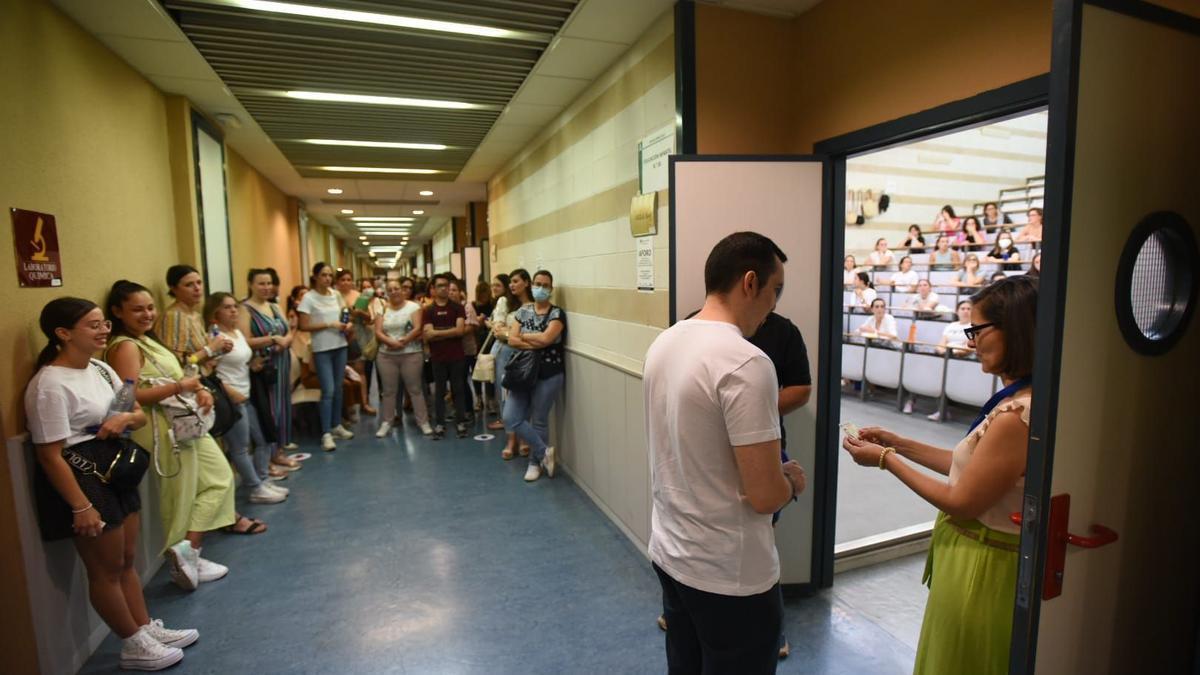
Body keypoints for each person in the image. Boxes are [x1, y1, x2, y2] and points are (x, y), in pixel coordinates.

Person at [842, 276, 1038, 674]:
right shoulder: (1017, 401)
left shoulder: (1017, 415)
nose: (970, 342)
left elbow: (962, 500)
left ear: (1014, 329)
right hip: (970, 553)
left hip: (984, 566)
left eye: (977, 330)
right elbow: (966, 466)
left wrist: (886, 460)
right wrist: (898, 443)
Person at [644, 231, 807, 673]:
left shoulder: (667, 341)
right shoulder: (746, 363)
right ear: (750, 282)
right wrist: (790, 480)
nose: (775, 303)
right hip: (728, 574)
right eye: (776, 290)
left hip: (671, 551)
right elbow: (765, 495)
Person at [27, 298, 196, 671]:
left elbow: (132, 411)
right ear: (63, 334)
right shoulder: (49, 385)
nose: (104, 330)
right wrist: (81, 506)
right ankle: (132, 643)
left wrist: (123, 422)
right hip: (83, 475)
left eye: (104, 323)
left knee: (125, 559)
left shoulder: (102, 369)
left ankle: (143, 626)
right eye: (94, 325)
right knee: (103, 568)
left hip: (115, 466)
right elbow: (49, 455)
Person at [104, 280, 239, 592]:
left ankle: (188, 550)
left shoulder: (149, 341)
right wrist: (182, 388)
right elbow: (127, 397)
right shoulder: (125, 346)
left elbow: (178, 373)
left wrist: (200, 390)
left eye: (150, 307)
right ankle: (184, 554)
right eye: (137, 309)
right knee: (179, 496)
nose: (147, 314)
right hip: (160, 431)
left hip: (186, 424)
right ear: (117, 311)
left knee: (220, 479)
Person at [206, 292, 287, 506]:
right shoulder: (215, 338)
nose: (233, 310)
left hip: (247, 392)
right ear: (215, 312)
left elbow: (240, 361)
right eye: (227, 307)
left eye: (234, 306)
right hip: (231, 397)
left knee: (261, 440)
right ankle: (254, 488)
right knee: (240, 447)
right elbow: (209, 371)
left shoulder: (237, 333)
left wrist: (253, 365)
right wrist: (230, 392)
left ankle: (262, 479)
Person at [503, 270, 567, 482]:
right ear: (531, 285)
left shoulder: (557, 314)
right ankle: (544, 452)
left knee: (539, 420)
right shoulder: (524, 310)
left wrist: (523, 336)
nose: (541, 288)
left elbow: (547, 339)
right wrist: (533, 339)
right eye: (538, 283)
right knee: (511, 417)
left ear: (551, 289)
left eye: (545, 285)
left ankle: (534, 464)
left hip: (548, 373)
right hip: (522, 373)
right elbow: (511, 340)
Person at [242, 269, 300, 465]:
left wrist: (288, 338)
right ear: (250, 284)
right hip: (264, 367)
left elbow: (288, 332)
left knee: (282, 407)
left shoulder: (274, 306)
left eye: (269, 283)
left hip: (282, 364)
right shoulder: (245, 309)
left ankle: (279, 452)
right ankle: (269, 457)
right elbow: (244, 341)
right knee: (269, 411)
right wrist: (273, 339)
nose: (266, 287)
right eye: (261, 283)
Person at [296, 262, 355, 451]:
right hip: (322, 349)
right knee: (328, 390)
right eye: (323, 275)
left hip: (340, 345)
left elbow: (345, 314)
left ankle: (337, 425)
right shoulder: (309, 298)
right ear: (315, 277)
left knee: (338, 388)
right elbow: (304, 326)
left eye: (330, 275)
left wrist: (348, 325)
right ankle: (326, 433)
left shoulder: (336, 295)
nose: (328, 279)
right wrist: (328, 324)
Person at [374, 278, 433, 437]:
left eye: (397, 288)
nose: (394, 292)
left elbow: (417, 327)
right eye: (390, 289)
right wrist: (391, 342)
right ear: (387, 292)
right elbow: (378, 331)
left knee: (415, 389)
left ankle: (423, 422)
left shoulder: (413, 307)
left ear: (403, 290)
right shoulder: (382, 308)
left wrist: (404, 341)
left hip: (411, 353)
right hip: (386, 354)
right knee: (388, 391)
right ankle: (387, 421)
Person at [423, 273, 470, 439]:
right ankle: (440, 423)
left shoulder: (457, 307)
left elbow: (460, 331)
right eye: (440, 286)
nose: (444, 288)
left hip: (456, 356)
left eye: (446, 285)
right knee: (440, 391)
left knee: (458, 389)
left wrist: (437, 332)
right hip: (438, 357)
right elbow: (427, 335)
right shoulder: (428, 310)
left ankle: (460, 422)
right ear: (433, 289)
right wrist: (447, 332)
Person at [156, 264, 232, 366]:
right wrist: (210, 348)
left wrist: (220, 349)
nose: (197, 288)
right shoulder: (174, 316)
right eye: (189, 285)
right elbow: (177, 363)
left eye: (199, 283)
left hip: (203, 374)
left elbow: (195, 358)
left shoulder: (196, 315)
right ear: (174, 289)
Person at [494, 271, 534, 459]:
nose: (512, 285)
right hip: (506, 353)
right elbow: (497, 329)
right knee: (505, 395)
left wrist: (512, 334)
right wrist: (518, 336)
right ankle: (510, 440)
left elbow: (536, 332)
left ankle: (524, 438)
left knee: (524, 395)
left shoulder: (534, 307)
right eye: (510, 282)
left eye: (516, 281)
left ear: (526, 283)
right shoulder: (504, 302)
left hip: (526, 354)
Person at [337, 269, 376, 419]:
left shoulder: (359, 297)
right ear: (337, 282)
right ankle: (347, 408)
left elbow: (369, 319)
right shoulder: (333, 297)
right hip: (339, 336)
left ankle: (364, 403)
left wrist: (360, 313)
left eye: (349, 279)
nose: (346, 282)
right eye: (343, 280)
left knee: (360, 372)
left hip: (357, 336)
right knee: (341, 373)